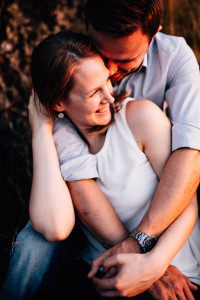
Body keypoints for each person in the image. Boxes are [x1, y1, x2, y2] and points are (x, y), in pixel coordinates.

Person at [1, 0, 200, 298]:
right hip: (95, 220)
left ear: (154, 34)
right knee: (33, 245)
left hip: (157, 202)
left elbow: (189, 161)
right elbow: (80, 204)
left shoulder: (173, 63)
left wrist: (150, 260)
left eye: (122, 61)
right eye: (101, 52)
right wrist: (42, 127)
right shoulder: (71, 80)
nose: (110, 70)